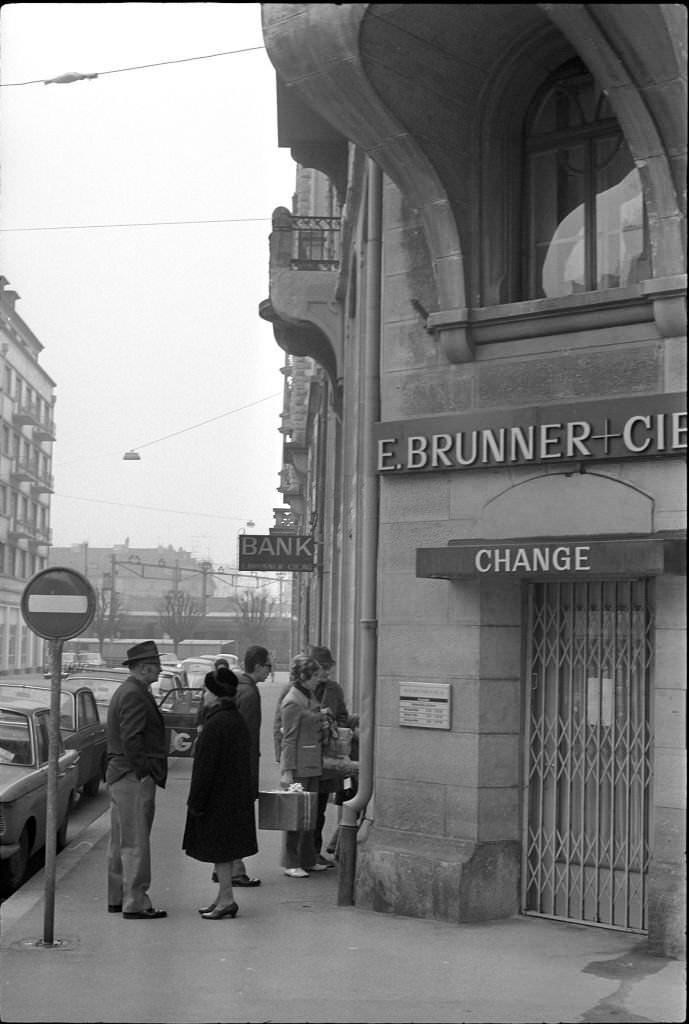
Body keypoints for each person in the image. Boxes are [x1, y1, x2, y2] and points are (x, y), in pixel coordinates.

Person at [182, 666, 257, 919]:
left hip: (218, 798)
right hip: (232, 796)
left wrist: (196, 801)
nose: (203, 695)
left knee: (221, 850)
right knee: (223, 850)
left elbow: (205, 768)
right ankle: (222, 897)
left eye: (206, 691)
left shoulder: (216, 724)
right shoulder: (235, 720)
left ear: (214, 694)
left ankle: (226, 899)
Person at [105, 640, 168, 920]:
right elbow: (132, 738)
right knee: (135, 841)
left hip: (120, 774)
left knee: (120, 840)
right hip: (132, 776)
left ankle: (117, 897)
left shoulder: (129, 690)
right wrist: (143, 772)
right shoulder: (135, 694)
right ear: (143, 668)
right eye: (156, 665)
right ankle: (136, 902)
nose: (160, 670)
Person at [279, 654, 331, 877]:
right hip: (299, 766)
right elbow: (288, 739)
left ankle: (307, 859)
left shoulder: (307, 695)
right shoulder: (292, 701)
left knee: (310, 815)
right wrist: (287, 771)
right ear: (303, 676)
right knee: (296, 817)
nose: (319, 680)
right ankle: (292, 862)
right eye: (315, 676)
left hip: (312, 763)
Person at [309, 645, 359, 863]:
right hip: (306, 757)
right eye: (323, 667)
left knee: (319, 809)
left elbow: (342, 716)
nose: (326, 672)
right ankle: (300, 856)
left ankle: (314, 852)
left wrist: (340, 729)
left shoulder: (334, 689)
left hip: (328, 758)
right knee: (303, 810)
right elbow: (282, 725)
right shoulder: (298, 690)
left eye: (328, 667)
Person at [231, 645, 272, 887]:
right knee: (240, 820)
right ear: (257, 666)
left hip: (235, 767)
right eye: (268, 666)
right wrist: (249, 777)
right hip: (241, 768)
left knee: (232, 819)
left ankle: (228, 867)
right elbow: (247, 738)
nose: (270, 671)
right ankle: (236, 869)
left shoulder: (239, 687)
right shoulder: (250, 693)